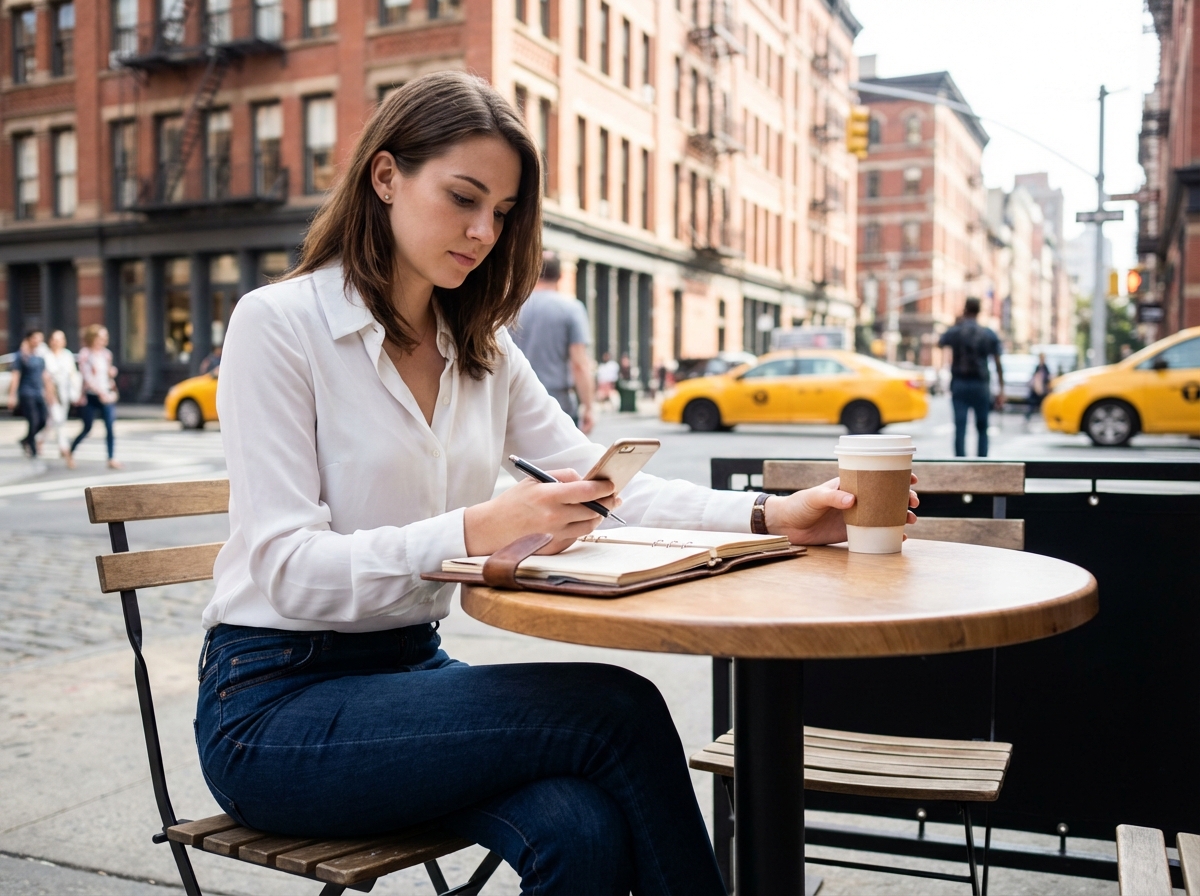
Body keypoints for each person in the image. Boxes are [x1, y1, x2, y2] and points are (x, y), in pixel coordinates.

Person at [196, 71, 919, 896]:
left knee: (580, 826)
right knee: (616, 710)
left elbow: (612, 486)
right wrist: (481, 526)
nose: (481, 231)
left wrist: (774, 513)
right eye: (464, 198)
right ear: (386, 176)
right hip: (274, 707)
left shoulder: (480, 348)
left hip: (410, 676)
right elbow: (287, 565)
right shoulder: (279, 323)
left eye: (501, 214)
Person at [509, 252, 595, 433]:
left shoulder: (510, 308)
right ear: (560, 276)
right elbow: (579, 363)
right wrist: (588, 406)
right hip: (558, 403)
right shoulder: (571, 308)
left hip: (515, 402)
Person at [938, 297, 1004, 457]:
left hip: (959, 384)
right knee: (982, 428)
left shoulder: (955, 331)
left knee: (960, 427)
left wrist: (956, 322)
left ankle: (960, 463)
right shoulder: (988, 334)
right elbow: (997, 363)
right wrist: (1001, 389)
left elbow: (940, 342)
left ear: (965, 309)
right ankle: (982, 462)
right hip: (981, 385)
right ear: (979, 311)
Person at [71, 325, 122, 469]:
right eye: (101, 337)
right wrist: (100, 393)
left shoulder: (107, 354)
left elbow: (106, 375)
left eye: (105, 337)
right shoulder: (85, 354)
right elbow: (87, 377)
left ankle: (111, 458)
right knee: (87, 427)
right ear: (93, 338)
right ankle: (71, 451)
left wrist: (111, 374)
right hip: (91, 396)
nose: (104, 340)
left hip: (106, 394)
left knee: (110, 426)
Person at [6, 329, 52, 458]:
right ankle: (33, 449)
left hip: (39, 392)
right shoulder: (21, 356)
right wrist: (12, 395)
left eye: (40, 338)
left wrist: (49, 393)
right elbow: (16, 376)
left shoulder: (40, 357)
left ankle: (25, 439)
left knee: (43, 420)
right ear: (29, 339)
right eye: (35, 338)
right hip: (26, 392)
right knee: (33, 420)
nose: (38, 341)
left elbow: (45, 376)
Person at [43, 330, 81, 467]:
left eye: (60, 339)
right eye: (54, 339)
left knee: (55, 420)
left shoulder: (67, 355)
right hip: (51, 393)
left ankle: (39, 440)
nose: (57, 341)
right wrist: (49, 394)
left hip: (65, 392)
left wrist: (76, 392)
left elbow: (73, 374)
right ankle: (66, 452)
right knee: (59, 421)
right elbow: (45, 377)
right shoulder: (46, 356)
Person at [1026, 352, 1051, 423]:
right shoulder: (1038, 367)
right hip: (1037, 390)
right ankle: (1028, 417)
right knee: (1032, 405)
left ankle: (1045, 418)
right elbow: (1034, 378)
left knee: (1042, 404)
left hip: (1043, 390)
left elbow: (1048, 379)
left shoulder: (1045, 367)